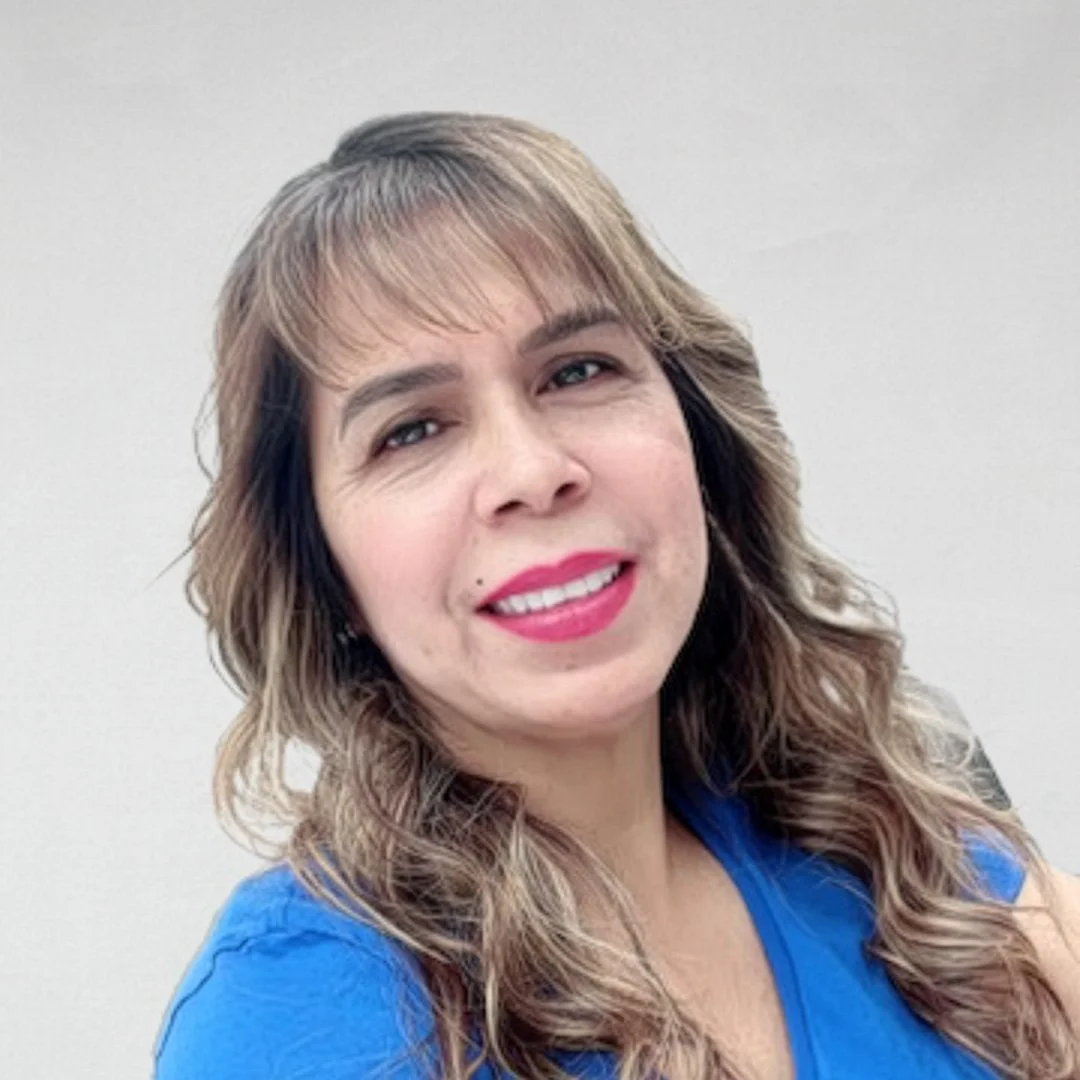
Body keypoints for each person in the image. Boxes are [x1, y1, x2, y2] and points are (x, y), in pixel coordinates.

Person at [153, 112, 1080, 1080]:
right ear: (323, 569)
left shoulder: (879, 857)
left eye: (578, 370)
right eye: (413, 430)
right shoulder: (297, 1014)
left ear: (699, 437)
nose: (531, 470)